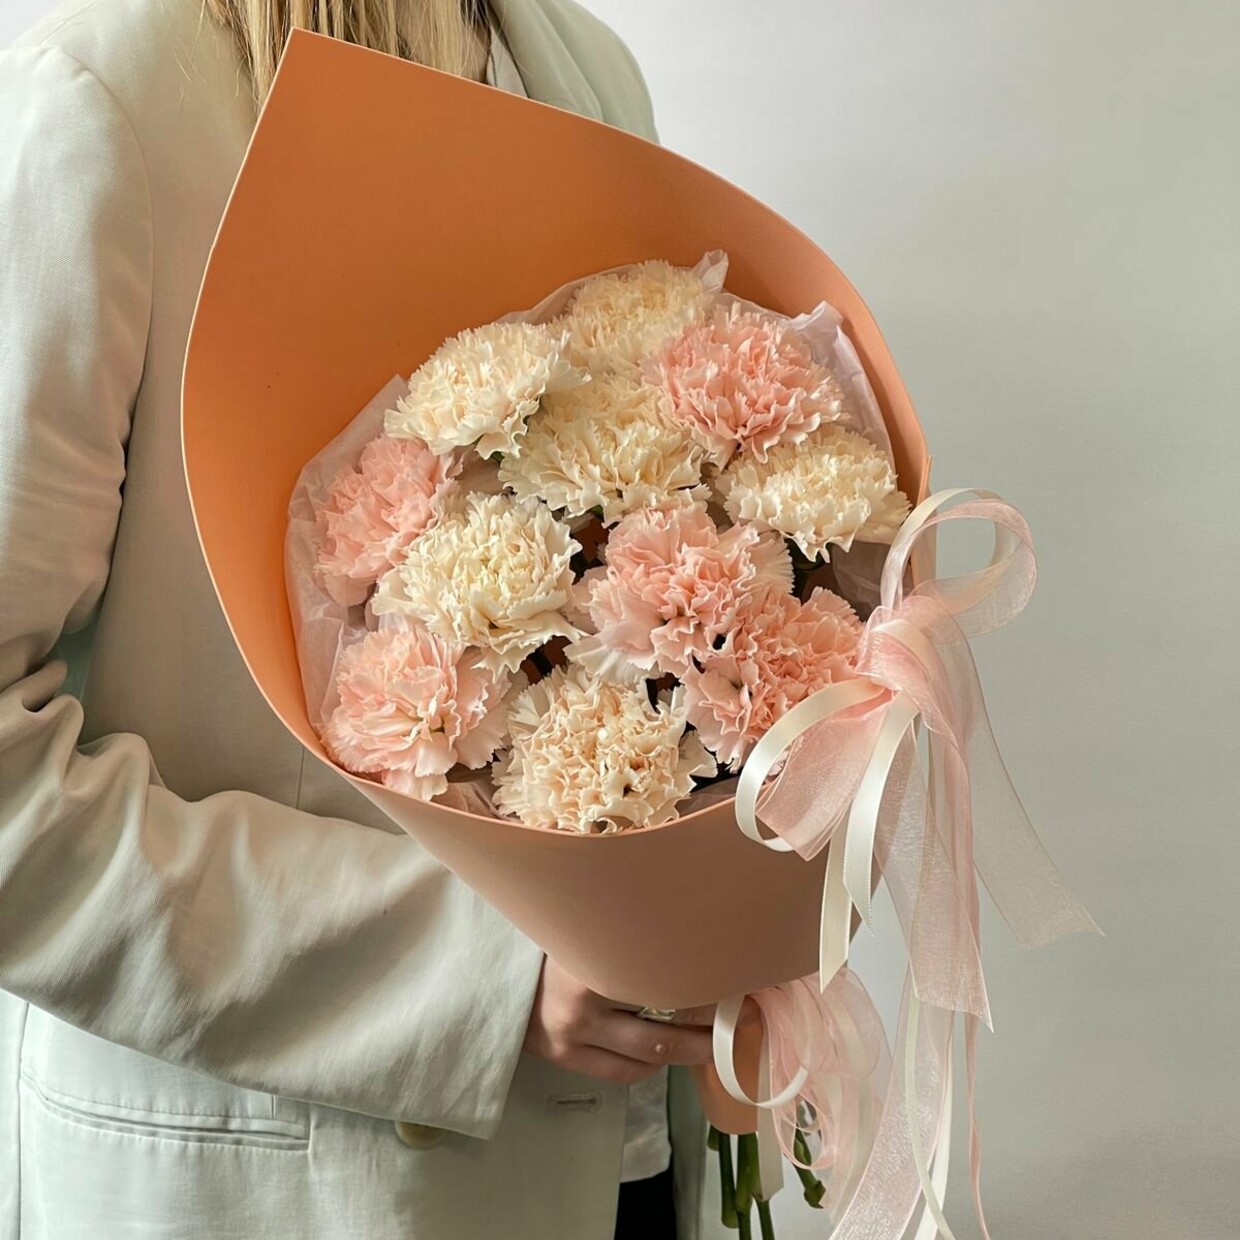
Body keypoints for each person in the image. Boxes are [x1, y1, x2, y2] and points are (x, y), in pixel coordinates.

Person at [0, 2, 722, 1236]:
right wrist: (476, 973)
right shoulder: (103, 98)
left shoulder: (585, 69)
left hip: (622, 1153)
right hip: (286, 1183)